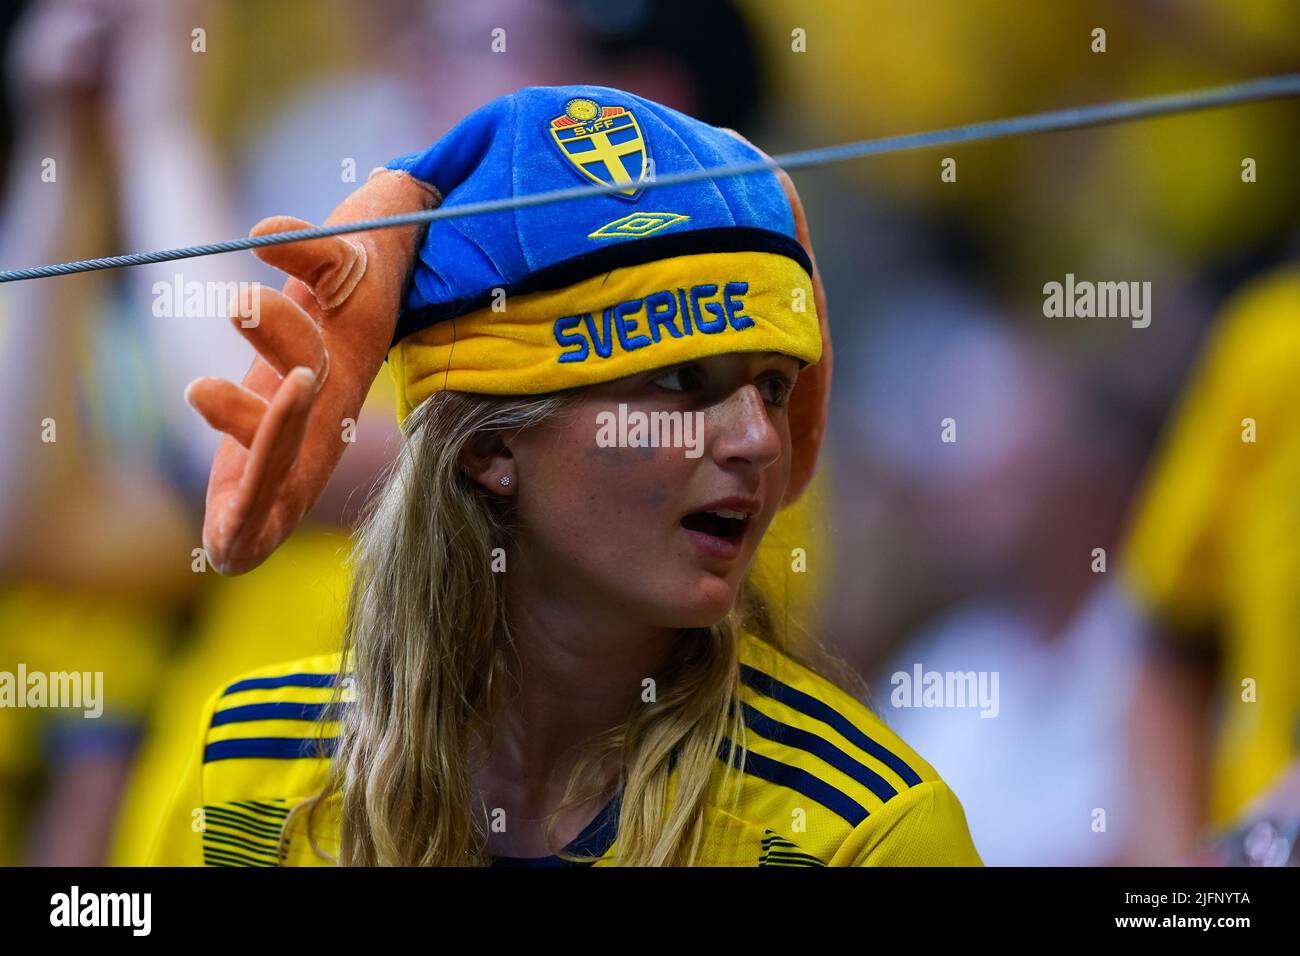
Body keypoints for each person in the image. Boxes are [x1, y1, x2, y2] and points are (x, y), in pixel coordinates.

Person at [149, 85, 982, 866]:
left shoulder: (861, 835)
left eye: (772, 386)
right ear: (487, 450)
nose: (759, 440)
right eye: (679, 380)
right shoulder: (247, 770)